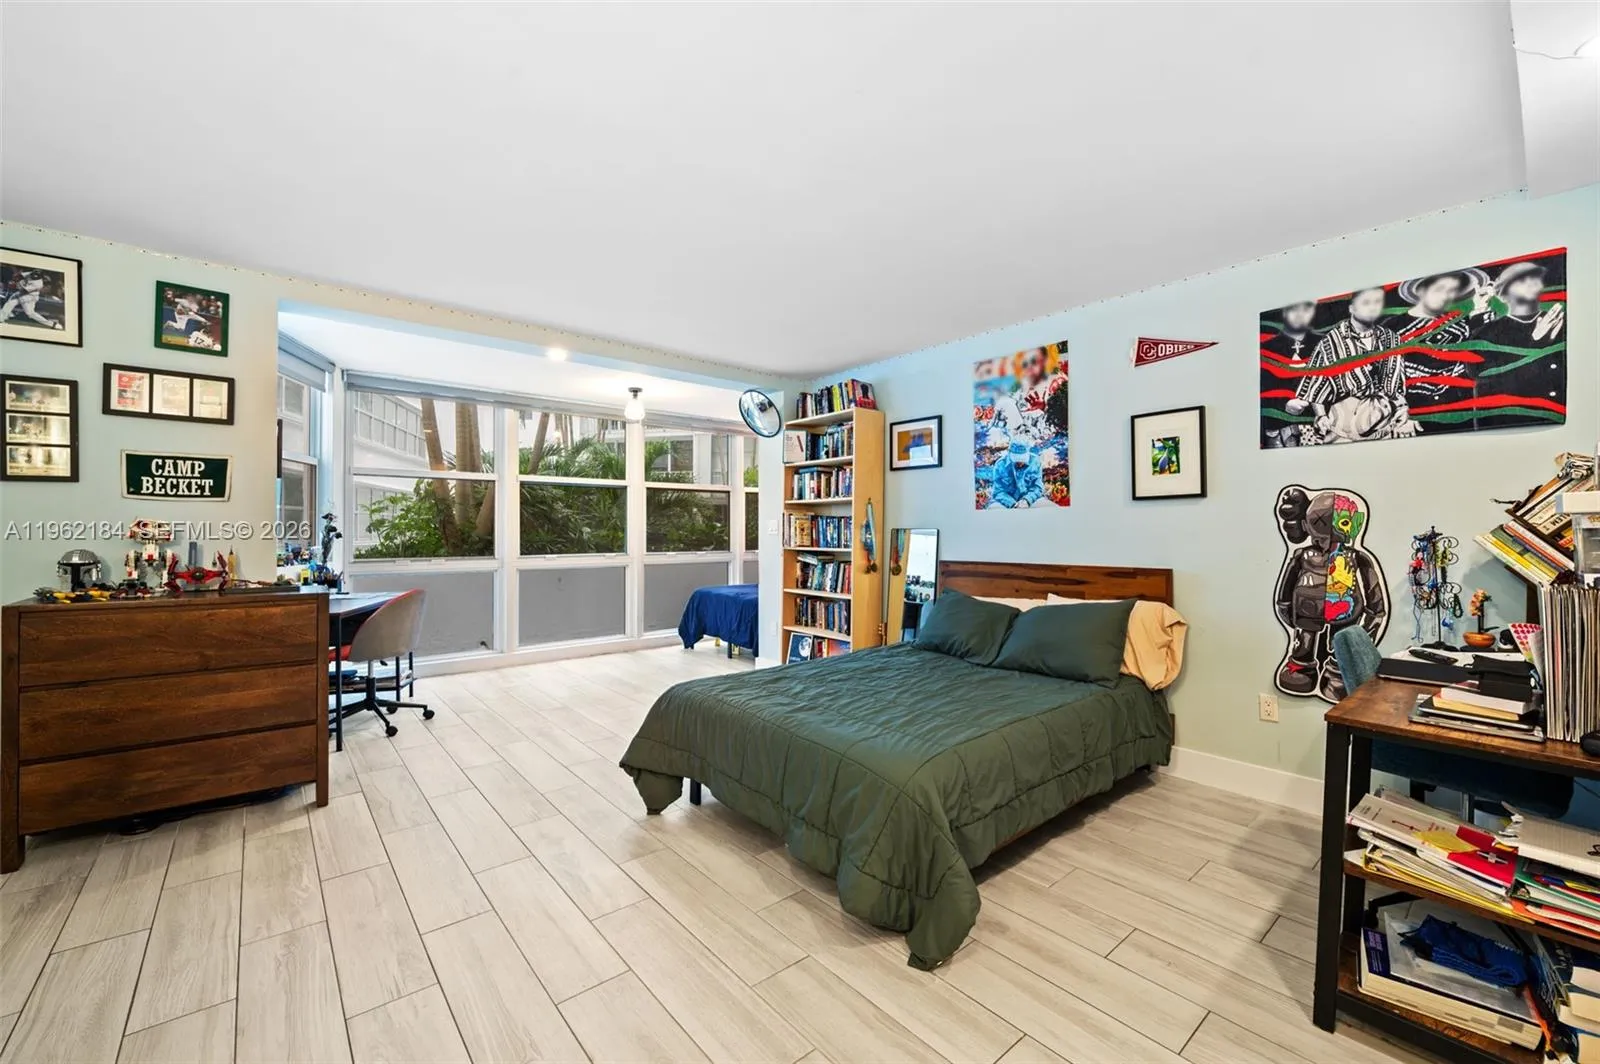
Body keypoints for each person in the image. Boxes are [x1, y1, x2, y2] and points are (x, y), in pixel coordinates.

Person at [1287, 287, 1413, 444]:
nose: (1373, 307)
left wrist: (1402, 408)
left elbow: (1395, 380)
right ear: (1352, 308)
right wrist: (1321, 415)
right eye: (1366, 302)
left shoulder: (1391, 339)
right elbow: (1316, 382)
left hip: (1383, 419)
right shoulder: (1333, 341)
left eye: (1377, 302)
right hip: (1344, 419)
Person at [1470, 260, 1566, 424]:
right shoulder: (1489, 332)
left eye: (1534, 278)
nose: (1531, 284)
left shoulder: (1557, 322)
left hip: (1551, 417)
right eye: (1521, 280)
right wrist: (1534, 343)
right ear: (1503, 291)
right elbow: (1478, 372)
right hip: (1509, 422)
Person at [1262, 300, 1317, 447]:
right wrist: (1283, 404)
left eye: (1305, 310)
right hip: (1278, 427)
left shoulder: (1325, 343)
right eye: (1294, 310)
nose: (1300, 315)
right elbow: (1259, 391)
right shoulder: (1266, 348)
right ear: (1285, 313)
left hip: (1320, 425)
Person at [988, 441, 1044, 508]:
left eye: (1023, 459)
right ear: (1009, 454)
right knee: (994, 508)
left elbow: (1038, 487)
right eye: (1016, 459)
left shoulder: (1035, 461)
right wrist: (1012, 504)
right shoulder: (1000, 465)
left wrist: (1027, 500)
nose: (1020, 462)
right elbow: (998, 492)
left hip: (1030, 500)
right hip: (1006, 502)